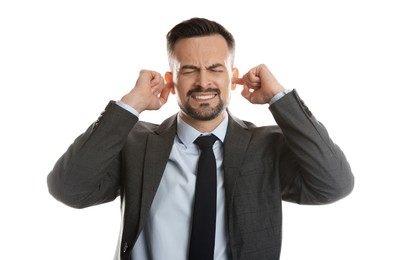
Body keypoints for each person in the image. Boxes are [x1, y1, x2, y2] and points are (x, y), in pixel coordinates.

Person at [47, 17, 354, 260]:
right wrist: (131, 105)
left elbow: (334, 184)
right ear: (171, 79)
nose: (203, 81)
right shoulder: (135, 142)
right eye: (189, 70)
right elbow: (69, 189)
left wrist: (280, 98)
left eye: (215, 69)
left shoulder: (266, 147)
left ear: (232, 76)